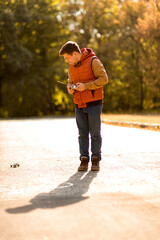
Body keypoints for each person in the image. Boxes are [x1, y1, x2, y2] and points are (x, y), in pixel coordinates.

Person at [59, 41, 108, 171]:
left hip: (93, 103)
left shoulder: (93, 61)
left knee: (95, 133)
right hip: (78, 104)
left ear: (74, 54)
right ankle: (84, 159)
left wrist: (85, 86)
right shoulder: (71, 66)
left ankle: (96, 159)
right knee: (82, 134)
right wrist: (70, 88)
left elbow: (104, 79)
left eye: (67, 57)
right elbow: (70, 81)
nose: (67, 61)